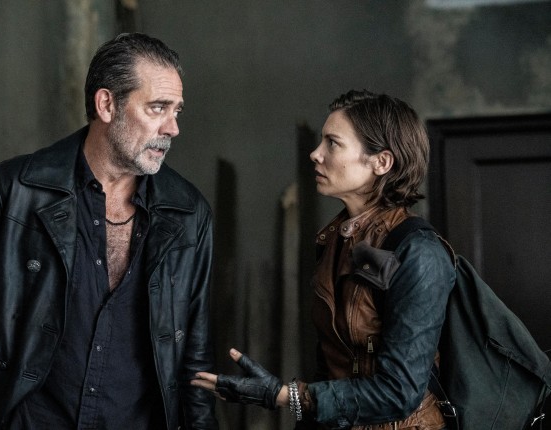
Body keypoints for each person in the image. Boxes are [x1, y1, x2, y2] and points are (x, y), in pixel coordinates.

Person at [0, 33, 218, 430]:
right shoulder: (15, 190)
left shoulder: (190, 214)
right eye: (157, 108)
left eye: (176, 110)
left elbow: (194, 360)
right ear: (106, 104)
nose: (173, 128)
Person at [191, 90, 456, 429]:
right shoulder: (335, 240)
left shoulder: (419, 253)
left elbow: (398, 393)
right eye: (321, 141)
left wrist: (284, 395)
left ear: (381, 162)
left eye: (333, 143)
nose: (315, 154)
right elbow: (332, 365)